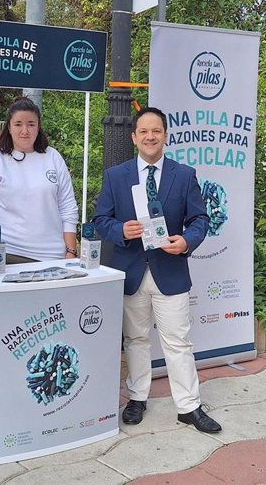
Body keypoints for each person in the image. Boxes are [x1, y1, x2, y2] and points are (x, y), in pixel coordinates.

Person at [93, 106, 221, 433]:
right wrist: (121, 230)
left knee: (177, 341)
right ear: (134, 137)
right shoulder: (116, 176)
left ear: (165, 136)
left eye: (157, 131)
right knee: (135, 339)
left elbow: (199, 220)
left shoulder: (184, 175)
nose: (150, 137)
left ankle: (189, 407)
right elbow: (101, 220)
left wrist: (187, 242)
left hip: (170, 270)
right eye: (144, 132)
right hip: (131, 269)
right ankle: (137, 398)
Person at [0, 96, 79, 263]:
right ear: (9, 127)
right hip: (5, 253)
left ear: (38, 127)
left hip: (52, 256)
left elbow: (68, 207)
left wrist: (71, 251)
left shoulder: (53, 158)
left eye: (31, 124)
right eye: (18, 124)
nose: (25, 131)